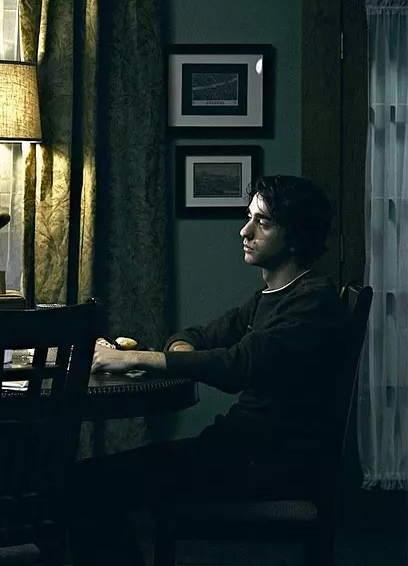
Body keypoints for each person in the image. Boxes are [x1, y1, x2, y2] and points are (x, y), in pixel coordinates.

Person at [69, 175, 350, 566]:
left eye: (263, 223)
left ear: (296, 236)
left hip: (270, 463)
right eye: (248, 217)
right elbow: (195, 336)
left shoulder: (312, 301)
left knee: (88, 484)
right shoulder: (268, 298)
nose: (245, 231)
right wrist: (180, 352)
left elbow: (236, 366)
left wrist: (132, 358)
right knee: (87, 481)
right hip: (237, 449)